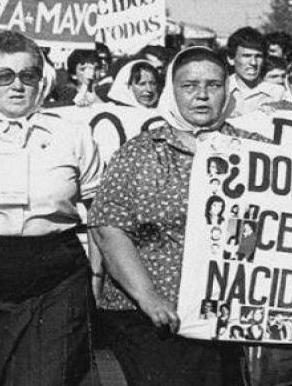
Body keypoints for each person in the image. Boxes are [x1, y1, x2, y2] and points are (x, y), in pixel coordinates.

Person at [90, 46, 269, 386]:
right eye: (189, 86)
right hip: (151, 316)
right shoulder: (139, 152)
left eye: (213, 85)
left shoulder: (256, 152)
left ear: (227, 90)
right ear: (172, 91)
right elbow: (108, 228)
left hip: (225, 314)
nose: (202, 96)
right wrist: (149, 297)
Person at [0, 30, 102, 385]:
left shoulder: (71, 133)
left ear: (41, 79)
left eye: (28, 75)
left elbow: (98, 214)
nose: (17, 86)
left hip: (55, 275)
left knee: (48, 377)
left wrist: (97, 276)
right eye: (3, 76)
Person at [226, 27, 284, 116]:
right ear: (231, 59)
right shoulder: (220, 89)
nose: (253, 63)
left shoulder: (277, 93)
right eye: (246, 56)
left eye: (258, 57)